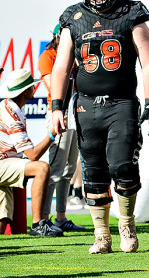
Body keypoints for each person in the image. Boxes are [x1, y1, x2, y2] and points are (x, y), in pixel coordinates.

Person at [51, 0, 149, 254]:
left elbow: (148, 63)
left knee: (122, 164)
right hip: (86, 106)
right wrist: (55, 107)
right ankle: (102, 235)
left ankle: (126, 222)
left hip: (121, 102)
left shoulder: (130, 13)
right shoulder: (73, 17)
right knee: (93, 172)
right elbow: (61, 68)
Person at [0, 69, 62, 237]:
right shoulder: (11, 113)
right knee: (41, 168)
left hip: (5, 161)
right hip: (2, 162)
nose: (35, 89)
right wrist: (52, 134)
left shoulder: (9, 107)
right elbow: (33, 155)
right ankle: (37, 224)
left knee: (3, 221)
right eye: (32, 86)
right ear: (25, 91)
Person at [38, 24, 85, 231]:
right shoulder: (48, 56)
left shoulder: (75, 56)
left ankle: (61, 218)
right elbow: (53, 86)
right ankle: (43, 219)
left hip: (75, 111)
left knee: (68, 170)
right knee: (54, 168)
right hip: (59, 112)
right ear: (58, 37)